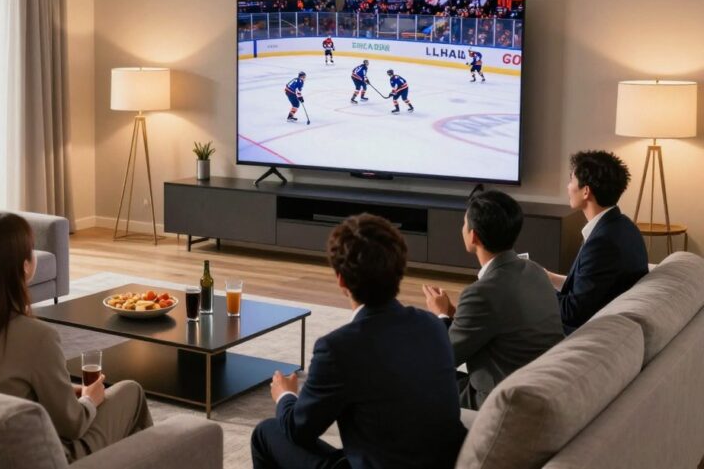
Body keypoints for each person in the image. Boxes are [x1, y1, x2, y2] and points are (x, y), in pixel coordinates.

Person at [0, 213, 152, 461]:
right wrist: (90, 399)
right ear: (25, 267)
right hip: (36, 458)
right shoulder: (38, 337)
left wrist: (64, 390)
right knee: (131, 392)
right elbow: (73, 425)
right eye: (33, 250)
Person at [251, 214, 466, 469]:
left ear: (341, 280)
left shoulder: (337, 349)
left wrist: (285, 395)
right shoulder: (433, 325)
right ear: (399, 270)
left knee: (266, 433)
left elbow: (299, 430)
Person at [423, 189, 564, 409]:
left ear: (473, 236)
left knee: (414, 371)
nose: (462, 228)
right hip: (538, 385)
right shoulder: (535, 270)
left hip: (498, 399)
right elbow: (501, 322)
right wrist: (453, 313)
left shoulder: (481, 293)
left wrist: (440, 315)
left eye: (464, 223)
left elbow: (443, 358)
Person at [546, 150, 648, 334]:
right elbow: (589, 287)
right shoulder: (623, 226)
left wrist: (532, 288)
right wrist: (547, 278)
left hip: (575, 334)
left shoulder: (602, 243)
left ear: (586, 191)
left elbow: (571, 313)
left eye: (571, 180)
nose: (568, 187)